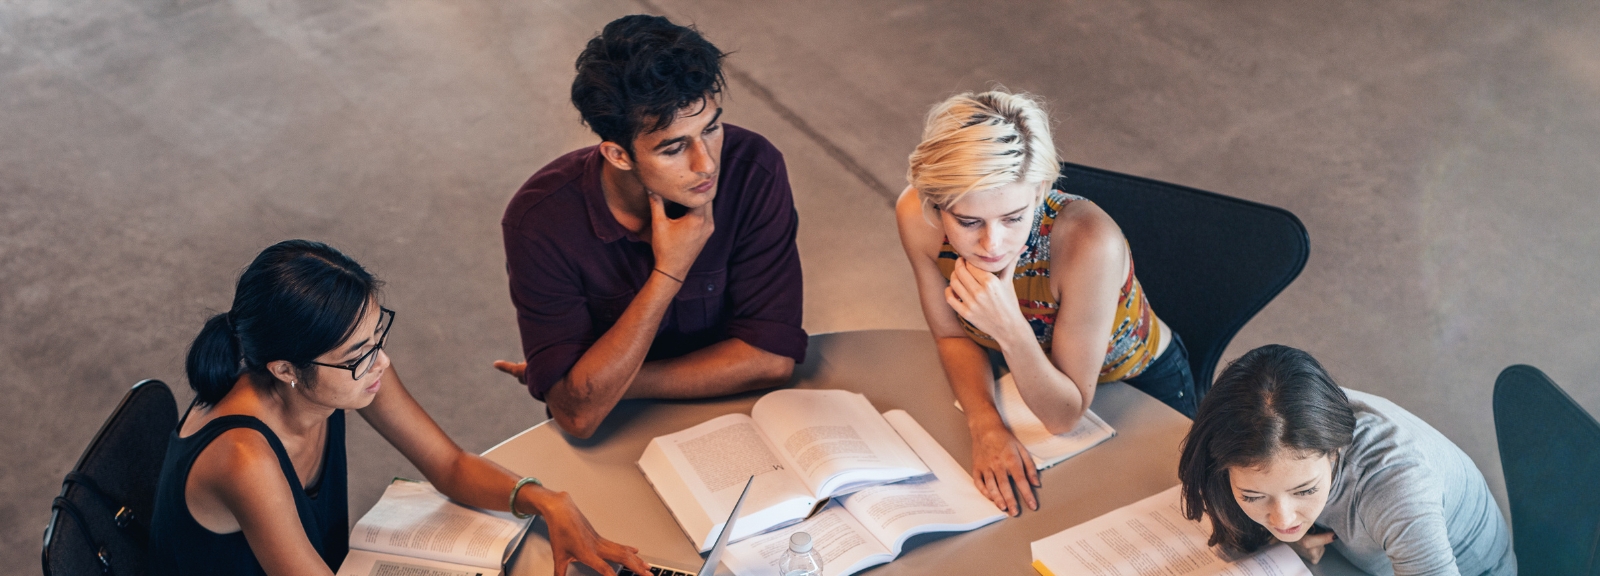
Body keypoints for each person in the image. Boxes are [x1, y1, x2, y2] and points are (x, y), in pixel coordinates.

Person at [149, 240, 651, 576]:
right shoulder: (245, 458)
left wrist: (547, 500)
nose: (381, 362)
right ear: (285, 369)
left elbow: (449, 464)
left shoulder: (344, 372)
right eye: (359, 354)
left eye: (377, 336)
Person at [494, 15, 806, 439]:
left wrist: (602, 386)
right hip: (617, 437)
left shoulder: (753, 169)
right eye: (675, 148)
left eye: (711, 129)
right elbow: (579, 421)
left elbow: (771, 361)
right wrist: (668, 272)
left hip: (742, 420)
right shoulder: (540, 224)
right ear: (618, 155)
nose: (707, 164)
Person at [895, 89, 1196, 516]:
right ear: (935, 202)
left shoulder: (1090, 242)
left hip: (1136, 384)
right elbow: (950, 334)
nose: (991, 244)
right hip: (1022, 376)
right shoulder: (915, 215)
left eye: (1014, 217)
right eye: (967, 221)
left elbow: (1064, 415)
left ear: (1039, 192)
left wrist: (1008, 327)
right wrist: (984, 424)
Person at [1178, 344, 1515, 575]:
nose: (1282, 518)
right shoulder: (1288, 412)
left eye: (1305, 490)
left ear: (1336, 448)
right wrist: (1282, 541)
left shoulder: (1397, 485)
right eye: (1252, 495)